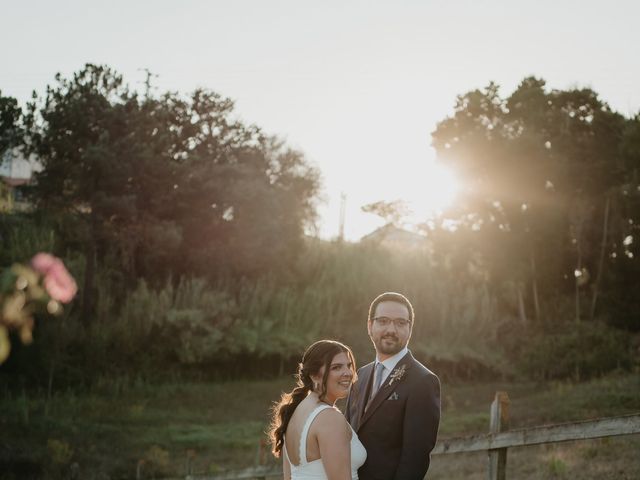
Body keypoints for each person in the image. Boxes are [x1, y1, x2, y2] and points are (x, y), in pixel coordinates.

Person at [346, 292, 440, 480]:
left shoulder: (423, 381)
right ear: (370, 326)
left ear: (410, 329)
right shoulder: (359, 375)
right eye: (383, 321)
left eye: (400, 323)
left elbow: (415, 458)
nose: (391, 329)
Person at [270, 340, 367, 480]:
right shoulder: (330, 418)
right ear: (314, 375)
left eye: (349, 366)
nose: (348, 372)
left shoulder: (295, 412)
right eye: (337, 367)